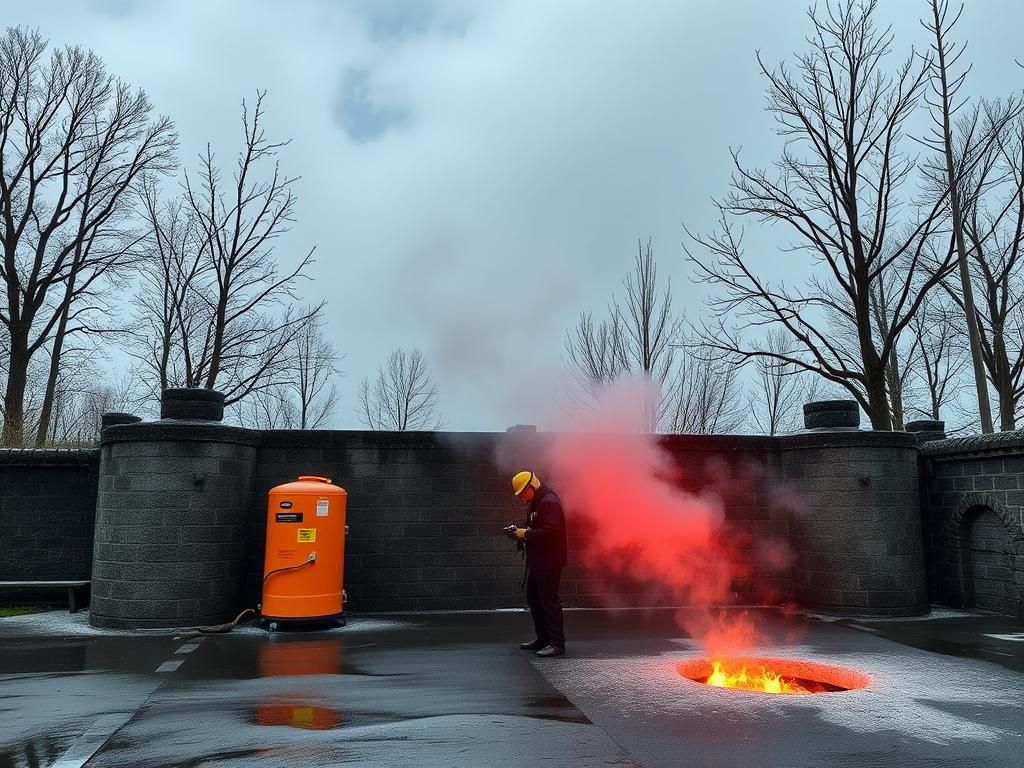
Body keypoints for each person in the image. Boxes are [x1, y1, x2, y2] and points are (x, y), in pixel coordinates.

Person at [510, 470, 567, 657]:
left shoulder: (549, 501)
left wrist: (526, 534)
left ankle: (557, 643)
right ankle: (543, 639)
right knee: (534, 599)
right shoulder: (537, 501)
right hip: (539, 561)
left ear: (532, 486)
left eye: (523, 493)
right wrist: (521, 534)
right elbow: (538, 528)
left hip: (549, 561)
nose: (522, 498)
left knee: (549, 601)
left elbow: (552, 531)